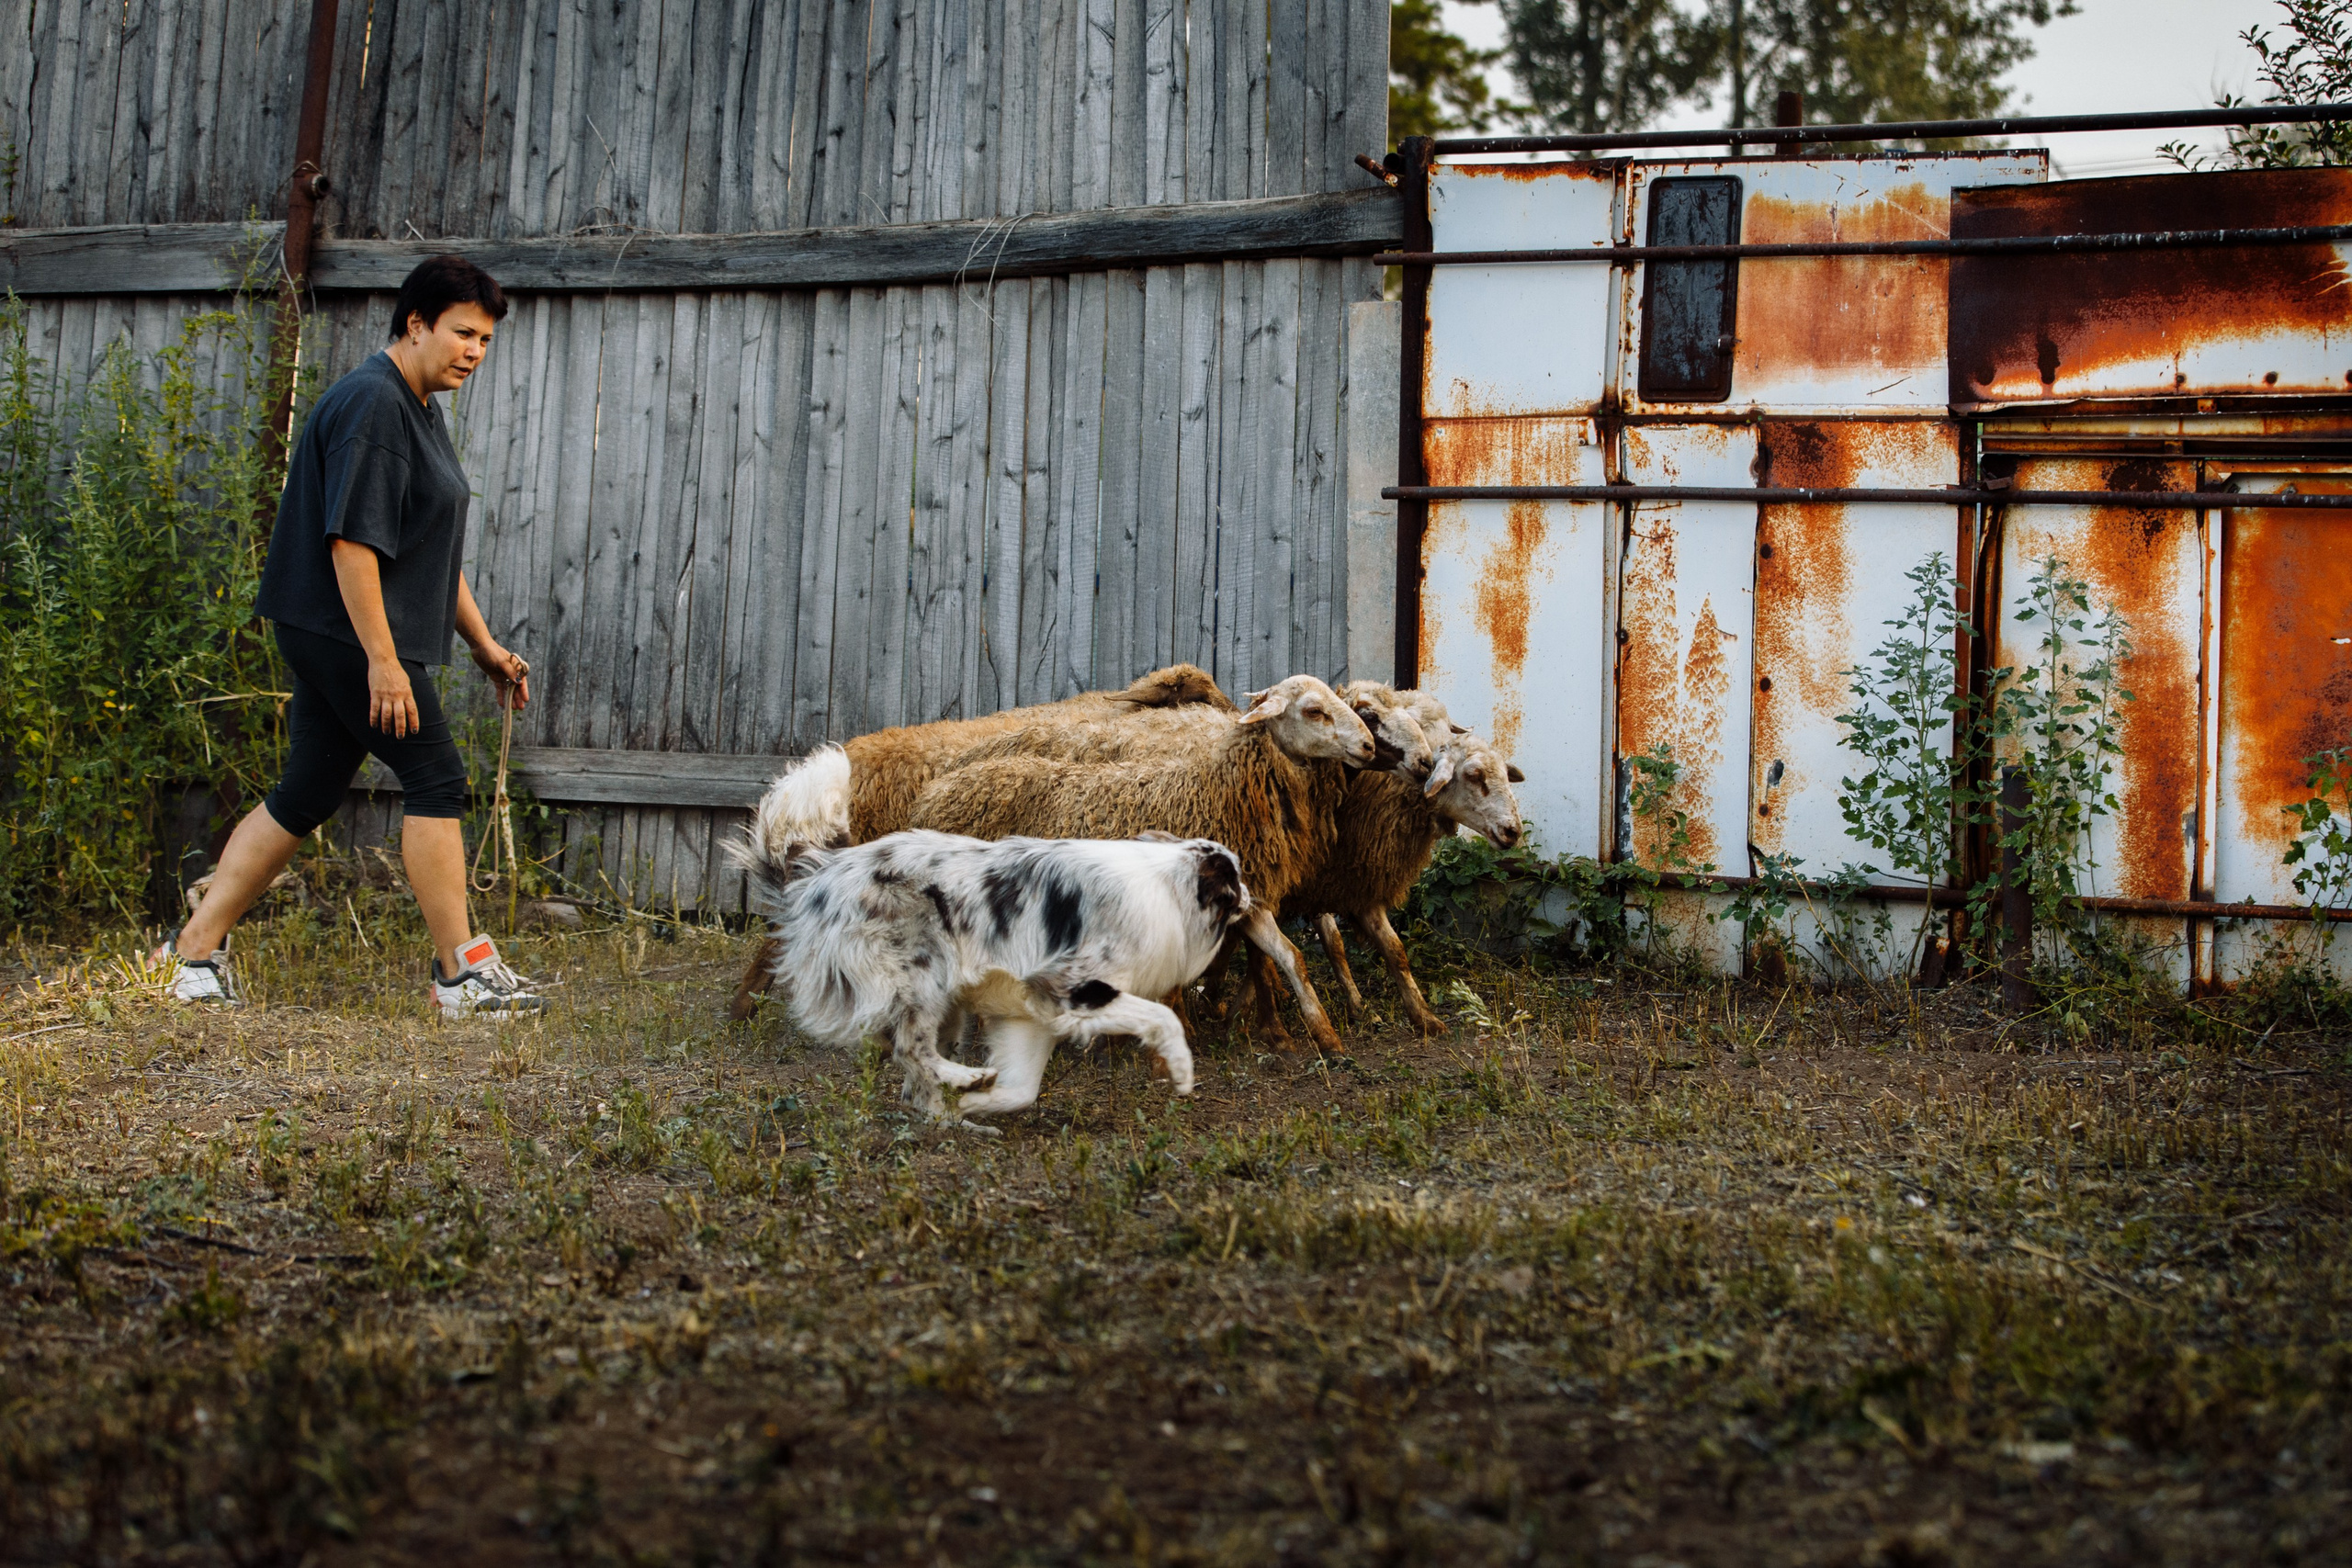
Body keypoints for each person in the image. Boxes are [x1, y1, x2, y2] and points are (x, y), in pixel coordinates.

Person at [155, 255, 546, 1016]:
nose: (475, 350)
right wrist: (384, 662)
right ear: (415, 324)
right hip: (346, 631)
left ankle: (192, 952)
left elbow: (427, 551)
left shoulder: (415, 408)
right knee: (436, 775)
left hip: (336, 631)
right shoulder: (375, 404)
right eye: (463, 332)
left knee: (307, 790)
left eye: (487, 340)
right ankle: (462, 975)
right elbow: (353, 547)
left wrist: (484, 645)